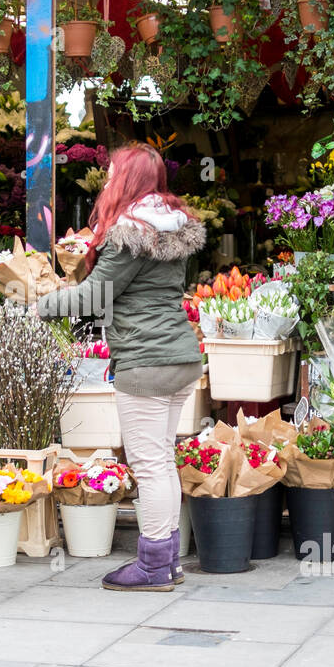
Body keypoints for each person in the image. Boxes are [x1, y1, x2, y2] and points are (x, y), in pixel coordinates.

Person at [37, 142, 205, 591]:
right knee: (161, 461)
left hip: (146, 361)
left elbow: (95, 296)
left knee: (149, 464)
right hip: (180, 356)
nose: (108, 180)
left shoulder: (129, 233)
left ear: (128, 180)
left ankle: (152, 566)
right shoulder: (172, 227)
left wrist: (39, 303)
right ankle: (166, 560)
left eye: (112, 173)